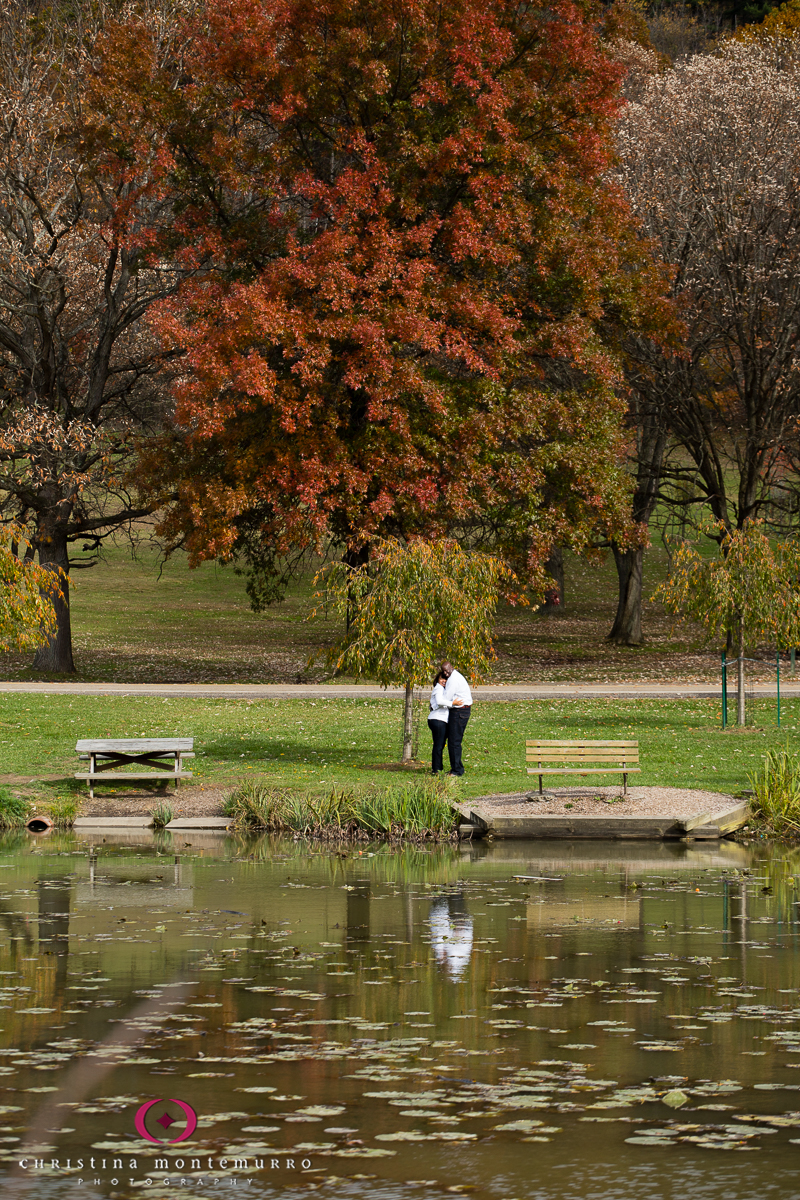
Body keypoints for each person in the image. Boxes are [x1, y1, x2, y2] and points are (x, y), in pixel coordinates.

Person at [440, 661, 473, 776]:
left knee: (454, 741)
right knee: (454, 741)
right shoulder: (456, 676)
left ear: (451, 668)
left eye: (447, 670)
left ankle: (457, 770)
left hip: (459, 711)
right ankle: (456, 768)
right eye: (443, 671)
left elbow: (446, 698)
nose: (445, 673)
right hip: (461, 710)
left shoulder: (453, 680)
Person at [428, 670, 450, 775]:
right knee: (438, 745)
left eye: (446, 679)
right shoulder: (438, 689)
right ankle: (436, 769)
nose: (444, 681)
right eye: (442, 678)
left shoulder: (443, 690)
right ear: (437, 679)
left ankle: (438, 768)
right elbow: (440, 702)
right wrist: (453, 703)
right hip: (438, 719)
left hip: (440, 719)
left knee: (440, 744)